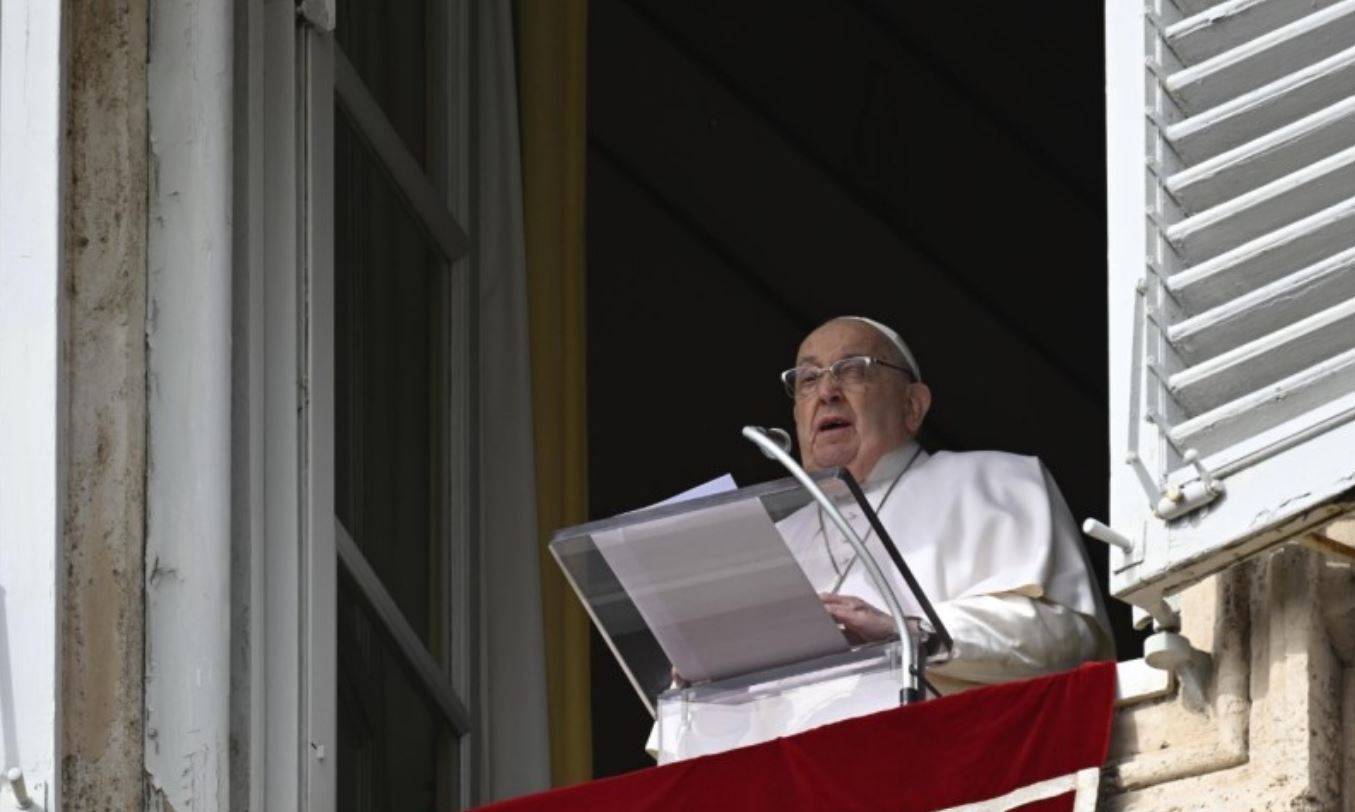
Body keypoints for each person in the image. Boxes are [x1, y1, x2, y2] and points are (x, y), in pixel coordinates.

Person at [781, 316, 1113, 692]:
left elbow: (1069, 638)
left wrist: (908, 633)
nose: (827, 391)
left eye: (853, 370)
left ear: (912, 405)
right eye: (808, 379)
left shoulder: (998, 480)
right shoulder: (776, 538)